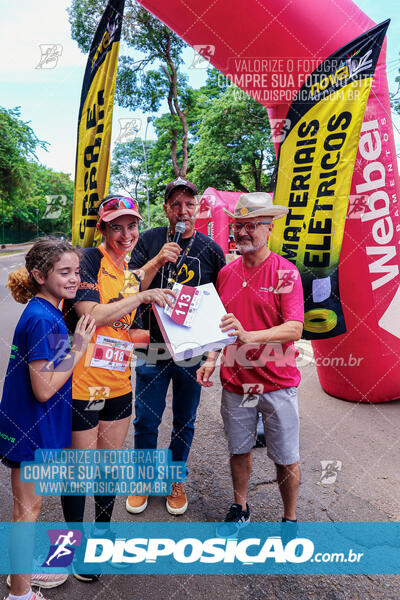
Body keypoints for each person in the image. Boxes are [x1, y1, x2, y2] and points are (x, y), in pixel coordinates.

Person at [61, 195, 174, 582]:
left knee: (108, 468)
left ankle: (103, 539)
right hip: (82, 384)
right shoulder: (87, 261)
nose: (125, 234)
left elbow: (125, 329)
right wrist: (144, 294)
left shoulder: (126, 267)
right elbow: (91, 316)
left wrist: (175, 339)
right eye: (116, 227)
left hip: (118, 383)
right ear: (103, 229)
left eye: (131, 226)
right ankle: (73, 549)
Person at [197, 192, 304, 536]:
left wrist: (250, 337)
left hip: (277, 382)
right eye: (238, 225)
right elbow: (222, 327)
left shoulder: (286, 273)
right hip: (235, 383)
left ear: (268, 228)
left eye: (251, 226)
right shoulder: (227, 274)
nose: (242, 232)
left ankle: (289, 519)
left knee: (285, 457)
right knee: (239, 450)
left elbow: (294, 327)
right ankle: (240, 506)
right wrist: (211, 359)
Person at [0, 238, 96, 600]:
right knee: (26, 512)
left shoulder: (50, 310)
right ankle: (20, 593)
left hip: (36, 428)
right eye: (64, 272)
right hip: (31, 430)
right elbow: (43, 388)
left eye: (77, 272)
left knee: (30, 508)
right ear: (40, 275)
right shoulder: (42, 318)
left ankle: (21, 581)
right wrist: (78, 349)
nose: (74, 279)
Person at [126, 177, 225, 516]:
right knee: (146, 420)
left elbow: (221, 307)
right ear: (167, 209)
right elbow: (129, 285)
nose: (183, 210)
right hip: (151, 349)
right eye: (176, 204)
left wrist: (213, 354)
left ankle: (174, 477)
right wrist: (157, 260)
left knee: (185, 419)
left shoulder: (211, 250)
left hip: (191, 352)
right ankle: (141, 478)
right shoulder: (149, 239)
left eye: (190, 204)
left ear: (198, 209)